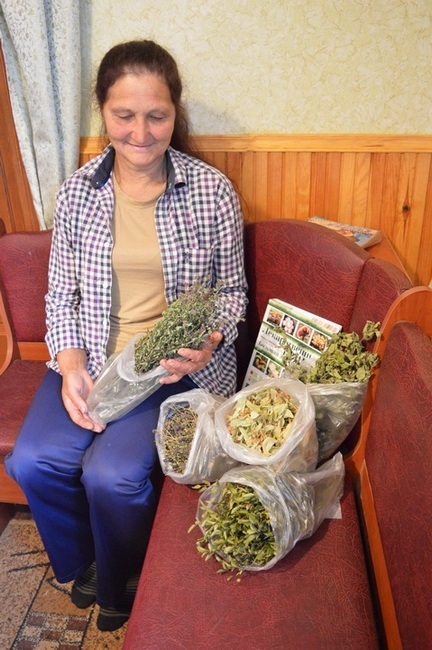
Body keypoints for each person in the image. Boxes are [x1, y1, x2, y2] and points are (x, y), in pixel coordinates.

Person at [6, 39, 247, 632]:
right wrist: (70, 364)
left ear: (175, 113)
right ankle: (89, 565)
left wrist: (210, 341)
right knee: (33, 461)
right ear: (103, 112)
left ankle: (125, 579)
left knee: (111, 475)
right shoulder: (78, 193)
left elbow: (232, 294)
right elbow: (60, 295)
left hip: (172, 371)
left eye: (156, 116)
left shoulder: (211, 192)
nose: (141, 132)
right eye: (124, 115)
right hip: (92, 356)